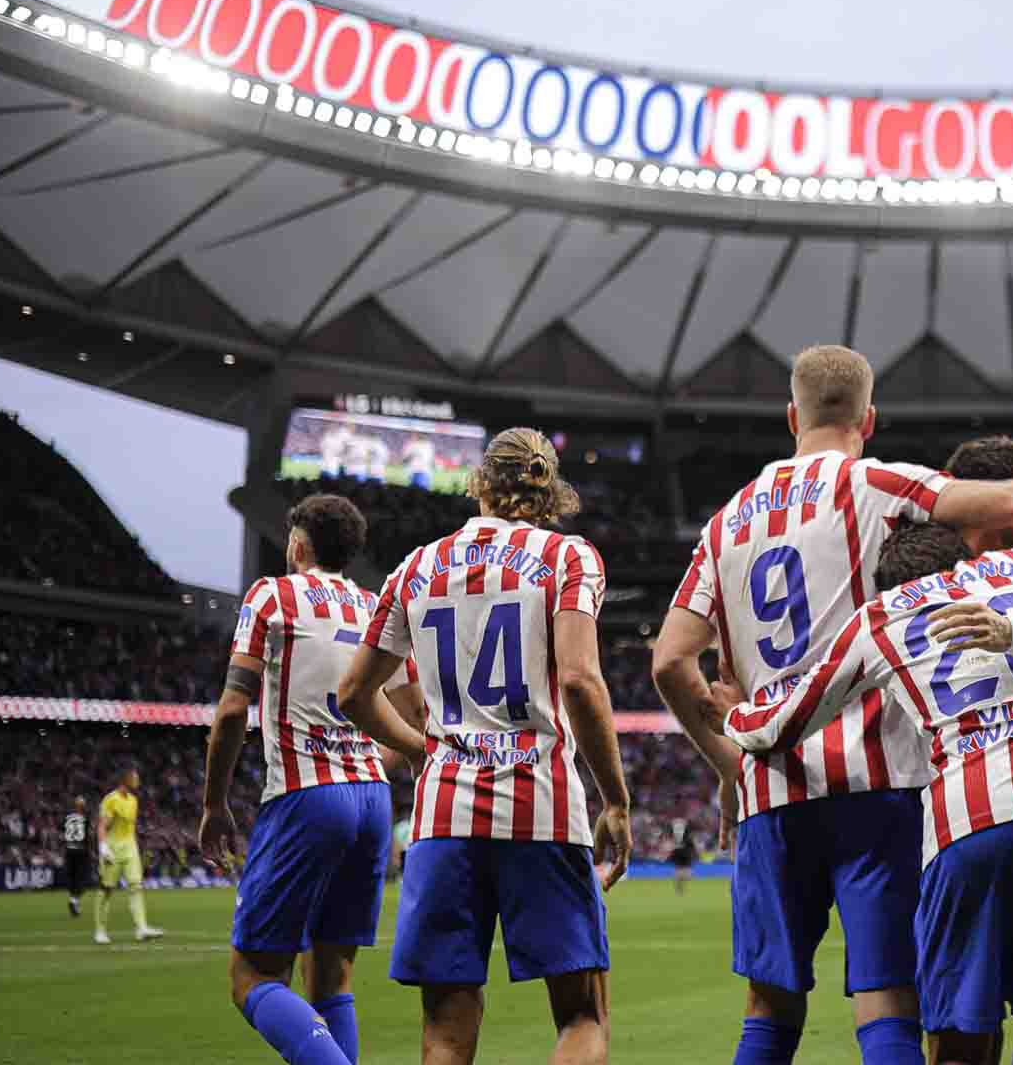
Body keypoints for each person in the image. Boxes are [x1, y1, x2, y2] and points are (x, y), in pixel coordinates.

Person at [651, 345, 1013, 1065]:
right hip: (887, 780)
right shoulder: (879, 485)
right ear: (869, 418)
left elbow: (670, 660)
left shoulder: (725, 524)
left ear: (790, 416)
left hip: (774, 784)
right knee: (892, 1002)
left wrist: (728, 763)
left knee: (769, 1009)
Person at [720, 521, 1013, 1065]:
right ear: (964, 556)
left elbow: (781, 725)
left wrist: (732, 714)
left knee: (960, 1022)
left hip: (970, 817)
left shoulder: (880, 616)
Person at [337, 426, 632, 1065]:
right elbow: (580, 681)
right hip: (542, 810)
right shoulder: (568, 557)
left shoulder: (414, 568)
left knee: (445, 1032)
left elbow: (355, 693)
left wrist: (423, 750)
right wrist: (616, 799)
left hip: (444, 818)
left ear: (479, 485)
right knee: (582, 1017)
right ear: (549, 490)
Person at [200, 493, 413, 1065]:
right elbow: (414, 713)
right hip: (371, 799)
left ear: (297, 544)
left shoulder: (272, 595)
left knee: (253, 976)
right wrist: (367, 762)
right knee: (332, 977)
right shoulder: (375, 607)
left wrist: (214, 804)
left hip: (306, 795)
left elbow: (232, 710)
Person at [95, 766, 163, 944]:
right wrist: (103, 847)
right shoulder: (111, 800)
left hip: (130, 847)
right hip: (113, 849)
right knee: (106, 889)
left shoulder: (133, 800)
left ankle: (141, 928)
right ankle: (100, 930)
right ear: (125, 779)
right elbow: (102, 825)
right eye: (135, 777)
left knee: (135, 886)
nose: (137, 780)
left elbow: (130, 827)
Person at [62, 795, 90, 917]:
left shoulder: (67, 817)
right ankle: (74, 901)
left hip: (69, 850)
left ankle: (74, 902)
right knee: (83, 879)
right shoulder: (85, 818)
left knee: (72, 879)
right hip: (80, 851)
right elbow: (86, 836)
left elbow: (64, 833)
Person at [670, 818, 697, 895]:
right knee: (679, 875)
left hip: (686, 857)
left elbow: (692, 847)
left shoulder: (688, 838)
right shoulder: (674, 837)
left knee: (687, 876)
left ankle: (679, 887)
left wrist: (693, 854)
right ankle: (679, 889)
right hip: (679, 857)